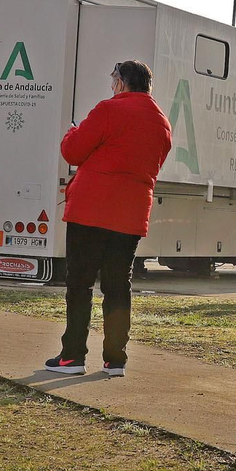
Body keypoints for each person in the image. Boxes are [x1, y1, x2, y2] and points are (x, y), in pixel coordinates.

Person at [44, 60, 172, 377]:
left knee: (81, 283)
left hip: (91, 209)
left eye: (113, 79)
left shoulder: (109, 109)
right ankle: (116, 359)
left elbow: (73, 151)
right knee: (117, 286)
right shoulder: (162, 123)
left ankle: (72, 356)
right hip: (130, 213)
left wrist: (73, 131)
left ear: (120, 82)